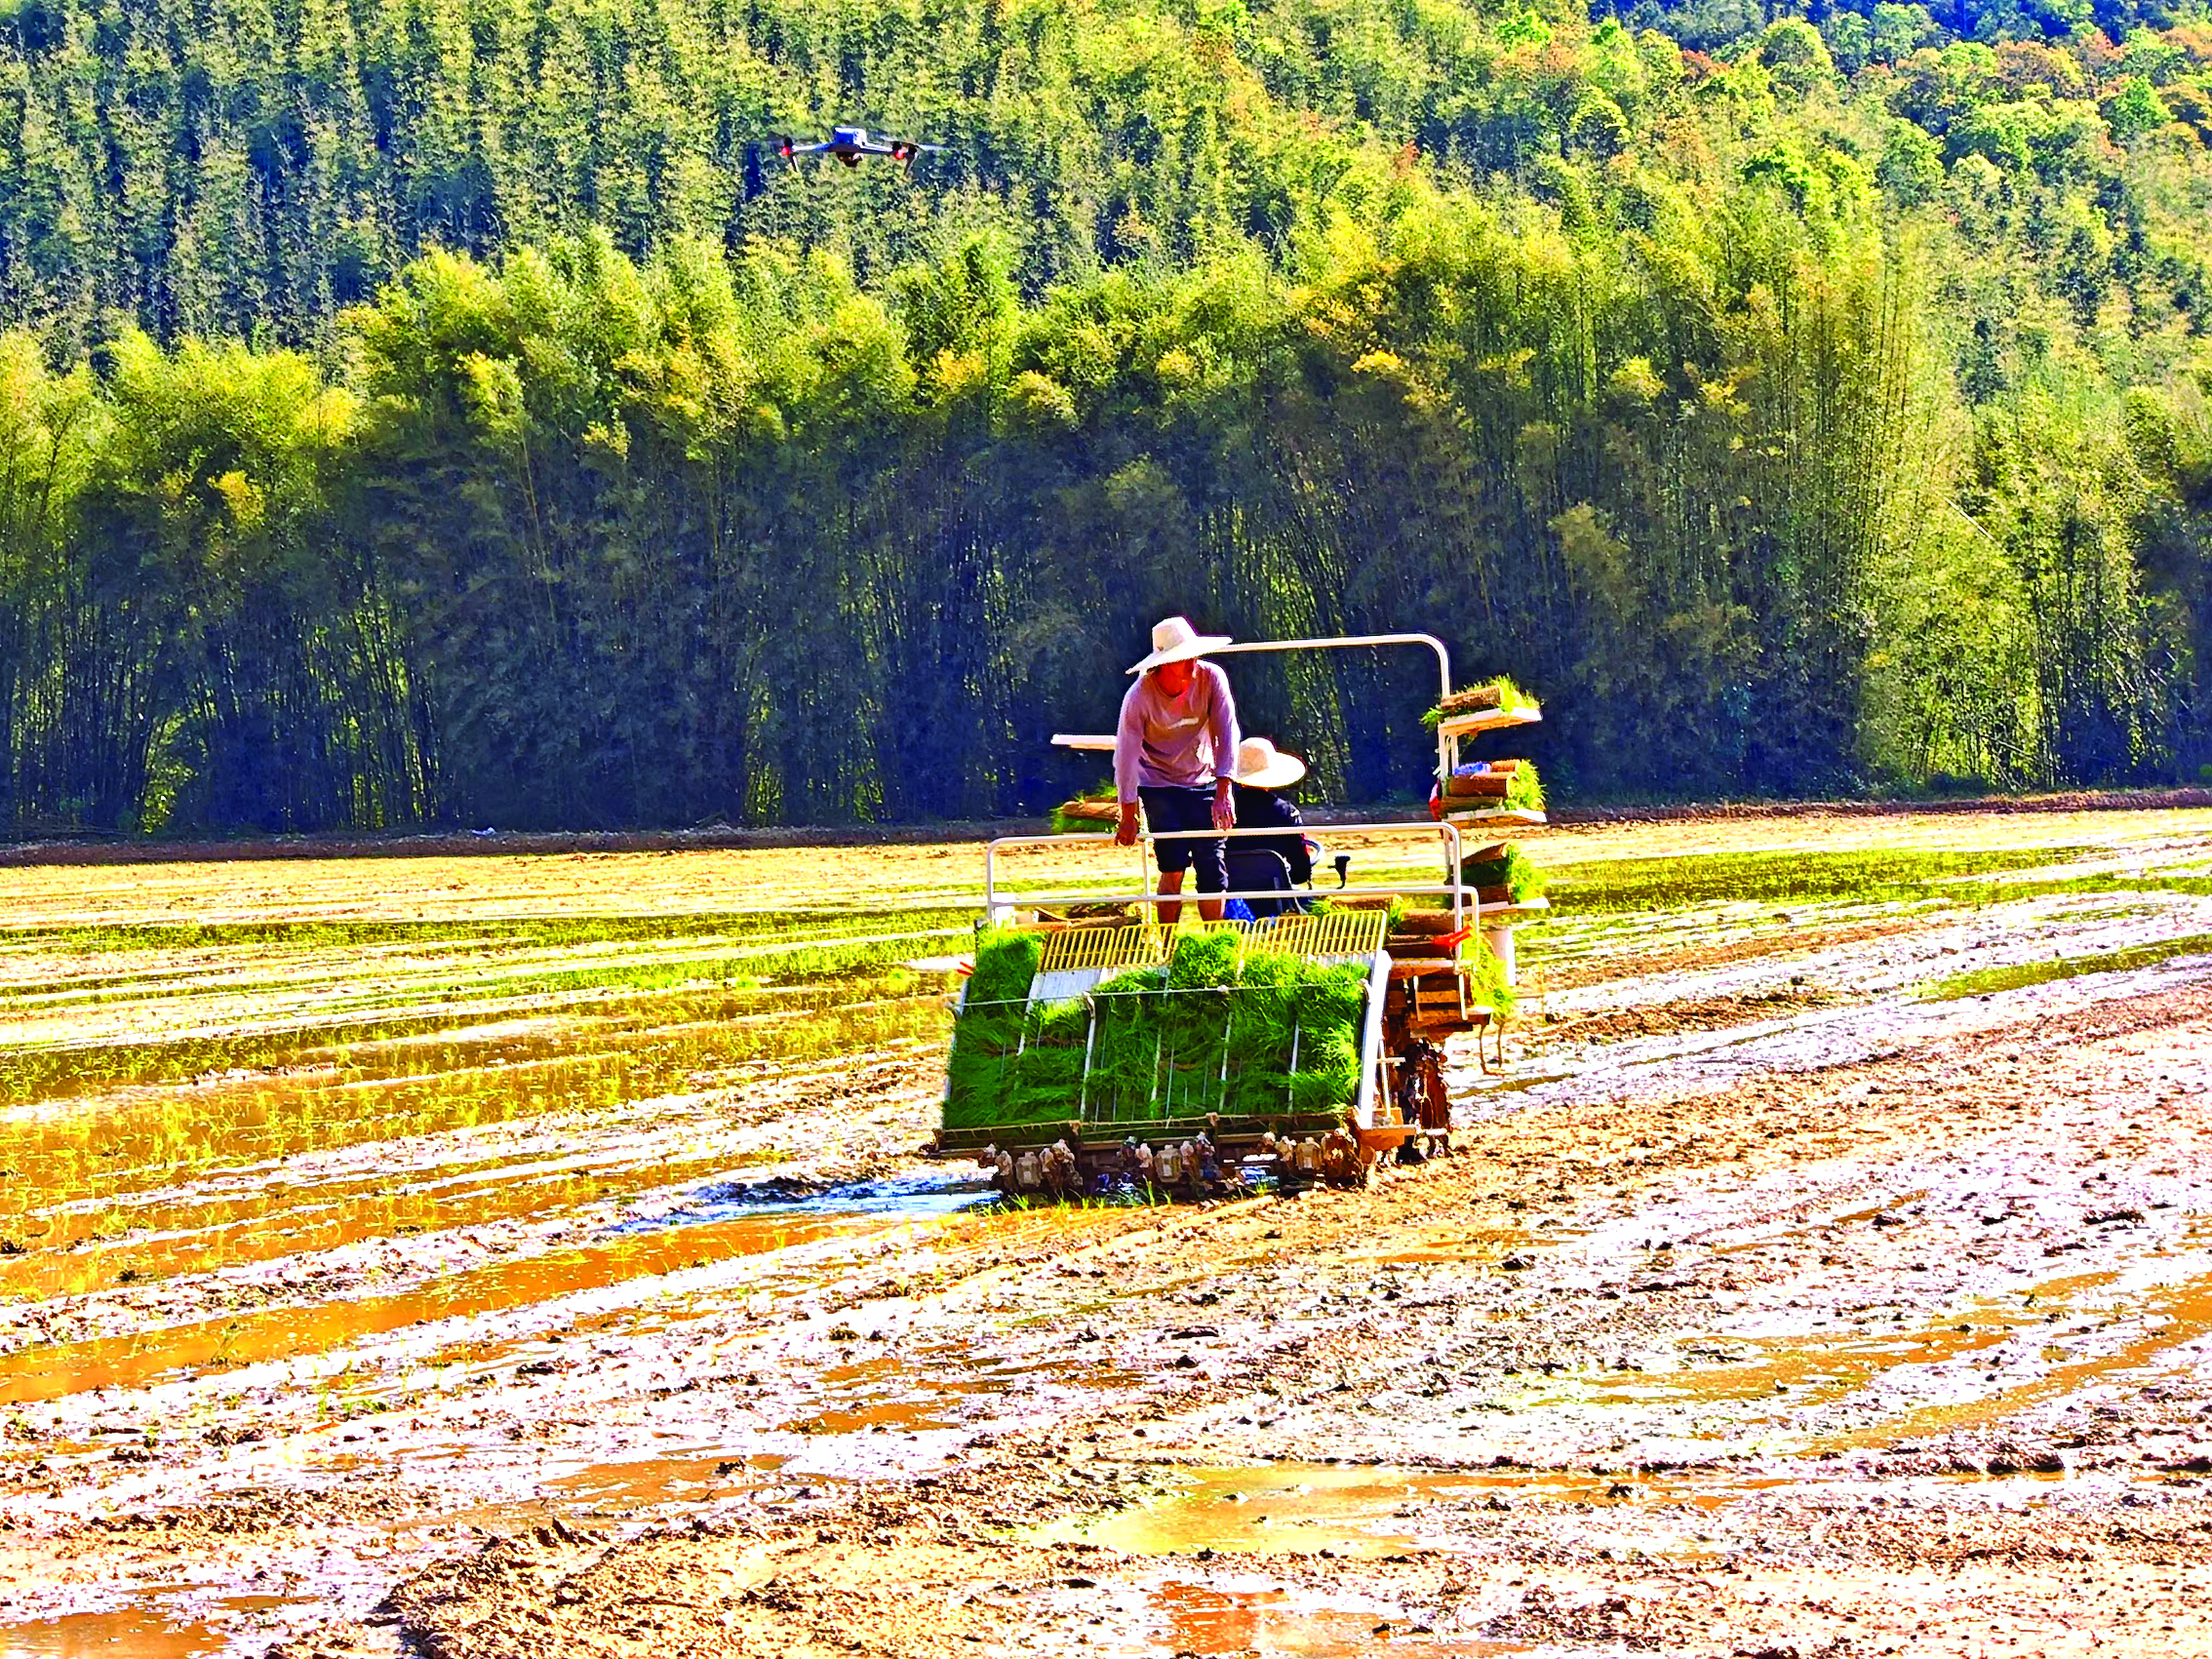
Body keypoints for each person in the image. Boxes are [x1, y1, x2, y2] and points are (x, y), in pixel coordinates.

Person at [1115, 615, 1240, 924]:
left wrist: (1225, 788)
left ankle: (1215, 947)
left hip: (1204, 778)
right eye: (1182, 658)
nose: (1192, 663)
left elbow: (1227, 732)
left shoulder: (1212, 679)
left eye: (1192, 655)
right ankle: (1167, 952)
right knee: (1172, 865)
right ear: (1163, 664)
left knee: (1212, 864)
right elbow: (1127, 756)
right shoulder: (1138, 697)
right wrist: (1128, 812)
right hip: (1157, 784)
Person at [1226, 737, 1316, 918]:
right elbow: (1300, 869)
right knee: (1317, 904)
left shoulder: (1221, 811)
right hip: (1275, 894)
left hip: (1230, 895)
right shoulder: (1286, 813)